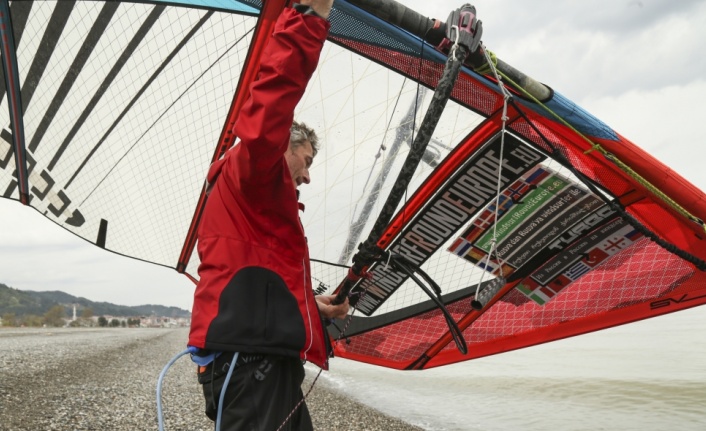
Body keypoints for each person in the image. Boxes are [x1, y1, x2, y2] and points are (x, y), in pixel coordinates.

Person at [188, 0, 349, 429]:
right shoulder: (255, 164)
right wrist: (309, 19)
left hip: (266, 359)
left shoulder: (261, 201)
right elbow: (269, 104)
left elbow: (261, 282)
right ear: (285, 145)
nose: (309, 175)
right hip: (246, 361)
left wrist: (311, 309)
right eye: (308, 159)